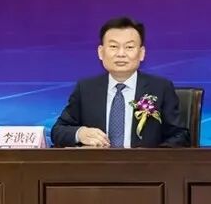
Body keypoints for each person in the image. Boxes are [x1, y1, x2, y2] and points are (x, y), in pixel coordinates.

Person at [51, 16, 189, 148]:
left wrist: (151, 157)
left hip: (144, 164)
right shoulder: (86, 89)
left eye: (129, 47)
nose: (121, 54)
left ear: (141, 53)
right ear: (101, 52)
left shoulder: (160, 88)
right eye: (113, 46)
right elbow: (58, 131)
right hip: (98, 163)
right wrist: (80, 133)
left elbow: (181, 136)